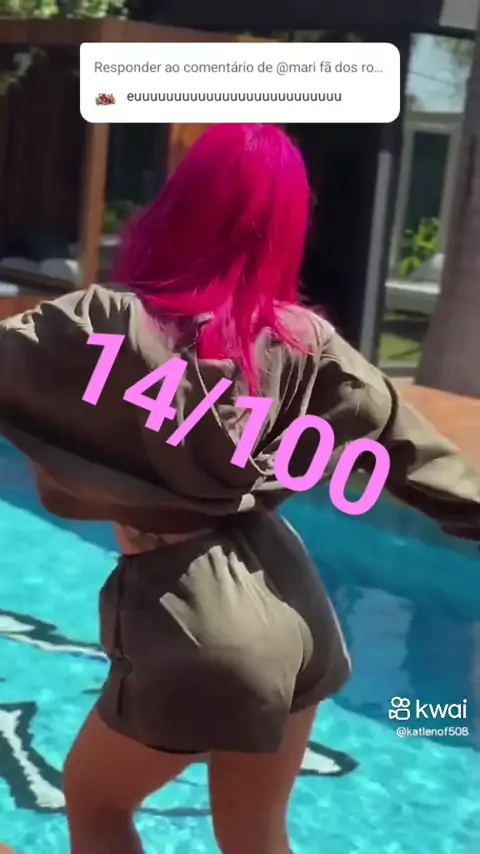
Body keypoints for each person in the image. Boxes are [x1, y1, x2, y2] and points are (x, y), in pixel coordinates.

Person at [0, 124, 479, 854]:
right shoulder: (305, 342)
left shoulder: (102, 324)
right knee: (254, 838)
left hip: (195, 620)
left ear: (177, 205)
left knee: (94, 800)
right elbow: (418, 457)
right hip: (297, 612)